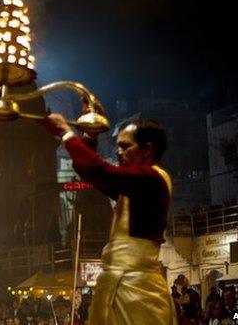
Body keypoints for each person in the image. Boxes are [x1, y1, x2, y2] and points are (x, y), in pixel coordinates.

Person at [38, 115, 177, 325]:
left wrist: (66, 133)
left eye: (125, 146)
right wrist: (89, 139)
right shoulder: (135, 187)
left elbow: (101, 172)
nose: (117, 151)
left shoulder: (153, 179)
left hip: (137, 289)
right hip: (124, 285)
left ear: (147, 150)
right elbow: (92, 173)